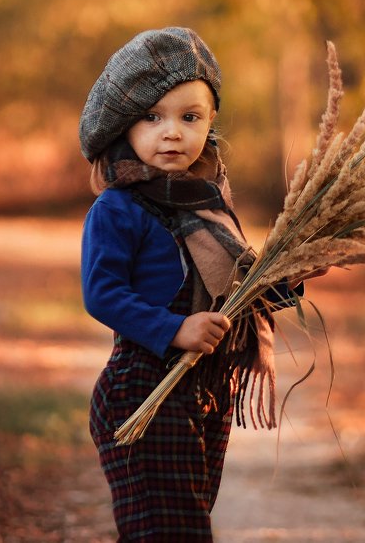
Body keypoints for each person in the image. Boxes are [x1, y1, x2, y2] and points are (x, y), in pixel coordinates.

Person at [79, 27, 299, 541]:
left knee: (183, 524)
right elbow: (102, 293)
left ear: (210, 124)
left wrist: (294, 274)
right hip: (142, 388)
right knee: (172, 532)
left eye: (189, 117)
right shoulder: (119, 209)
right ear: (121, 128)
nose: (172, 132)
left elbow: (238, 295)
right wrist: (175, 329)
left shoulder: (211, 207)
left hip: (204, 392)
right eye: (152, 117)